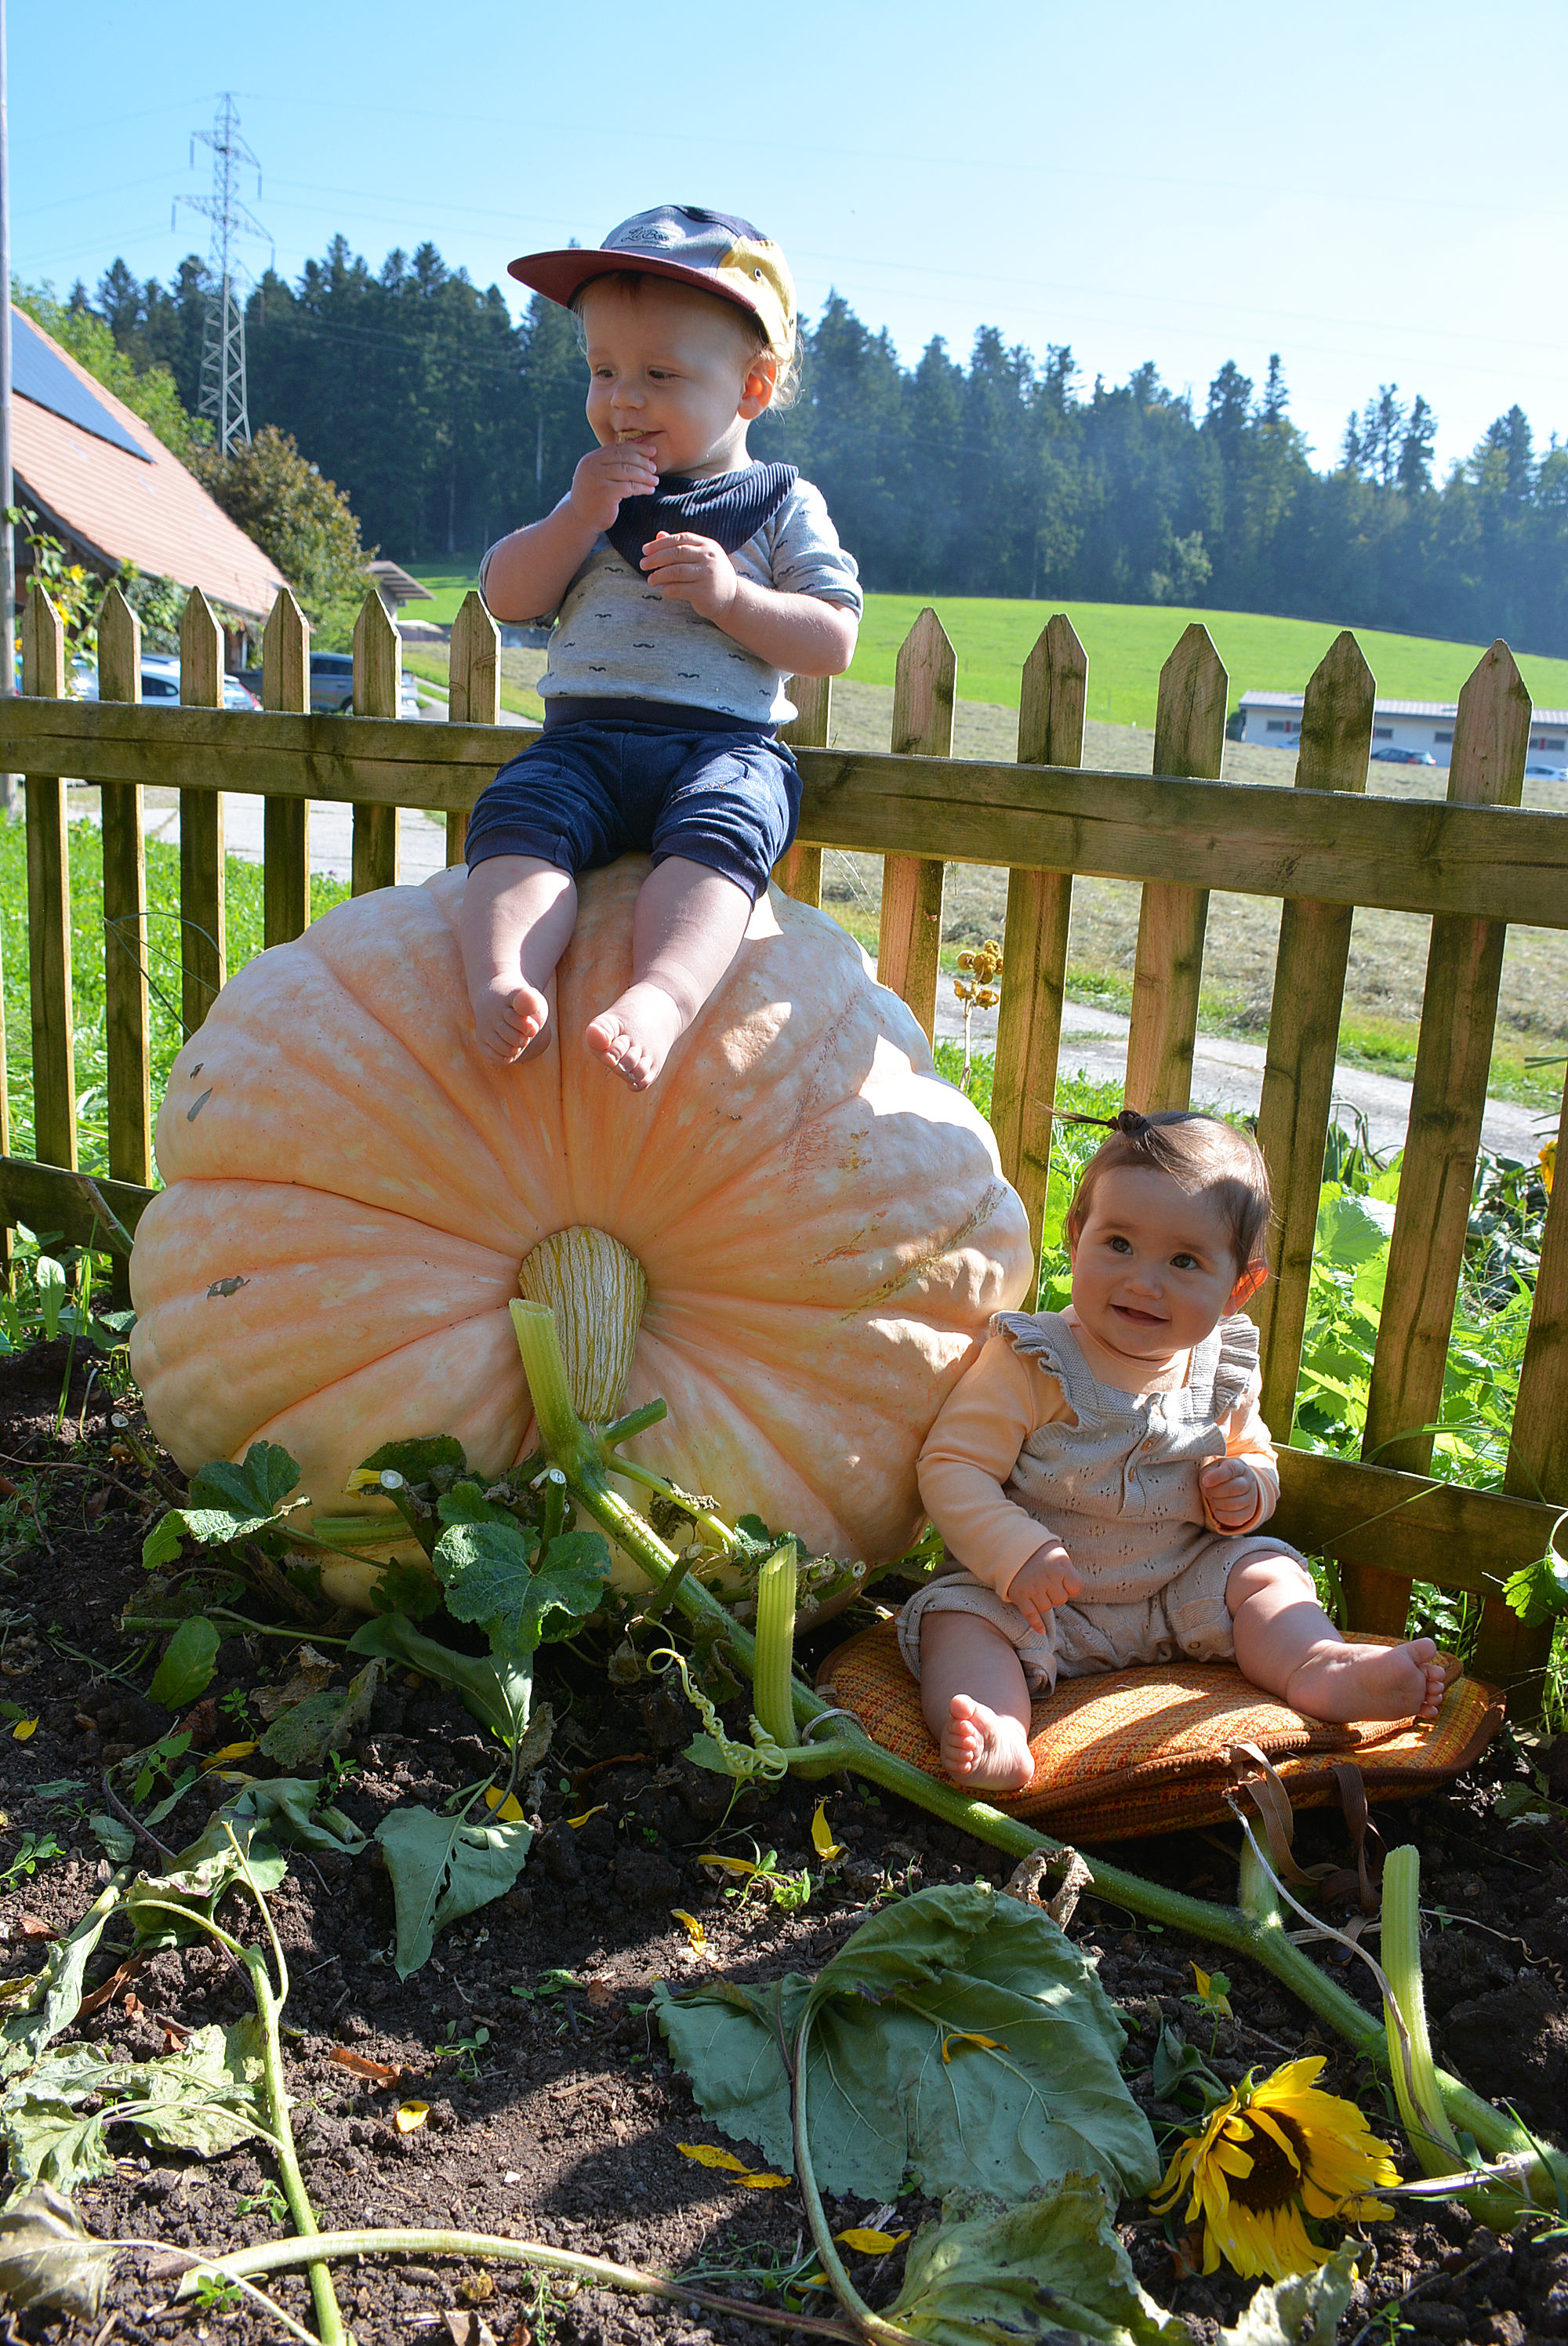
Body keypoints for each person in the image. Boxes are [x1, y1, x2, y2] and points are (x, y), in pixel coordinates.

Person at [899, 1109, 1448, 1792]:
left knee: (1264, 1572)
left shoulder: (1220, 1371)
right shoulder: (1033, 1360)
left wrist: (1247, 1487)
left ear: (1238, 1287)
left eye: (1184, 1261)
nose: (1143, 1281)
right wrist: (1014, 1552)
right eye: (1119, 1244)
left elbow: (1254, 1451)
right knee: (958, 1620)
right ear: (1076, 1237)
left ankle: (1323, 1668)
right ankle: (998, 1729)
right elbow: (953, 1466)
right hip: (1042, 1606)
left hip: (1179, 1593)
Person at [460, 205, 862, 1091]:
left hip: (722, 747)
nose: (623, 398)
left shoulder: (781, 503)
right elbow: (505, 593)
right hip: (581, 744)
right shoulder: (592, 496)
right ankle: (505, 977)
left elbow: (832, 636)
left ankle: (662, 998)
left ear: (751, 387)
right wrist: (576, 517)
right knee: (516, 821)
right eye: (602, 370)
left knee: (722, 839)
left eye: (658, 373)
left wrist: (731, 596)